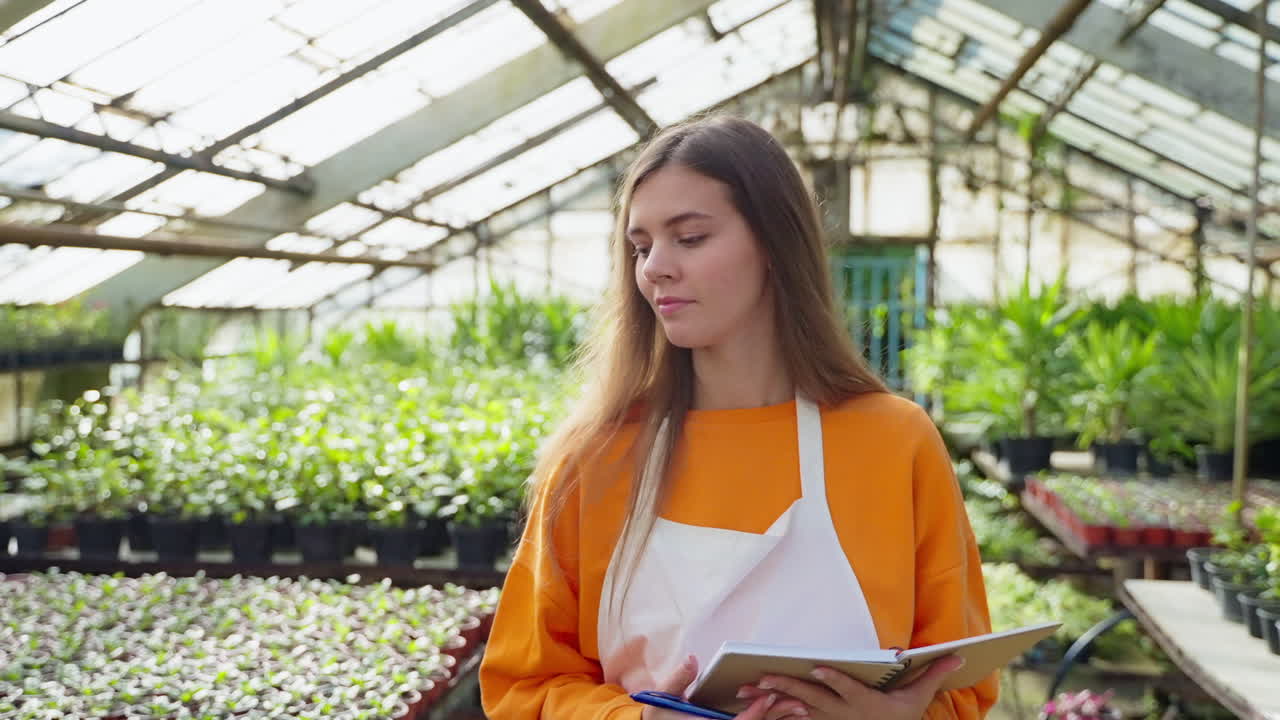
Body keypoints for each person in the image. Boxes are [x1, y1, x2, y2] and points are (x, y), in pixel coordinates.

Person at [479, 115, 997, 720]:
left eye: (690, 238)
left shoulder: (894, 440)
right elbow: (523, 687)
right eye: (641, 247)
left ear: (776, 246)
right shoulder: (596, 456)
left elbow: (960, 685)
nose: (654, 269)